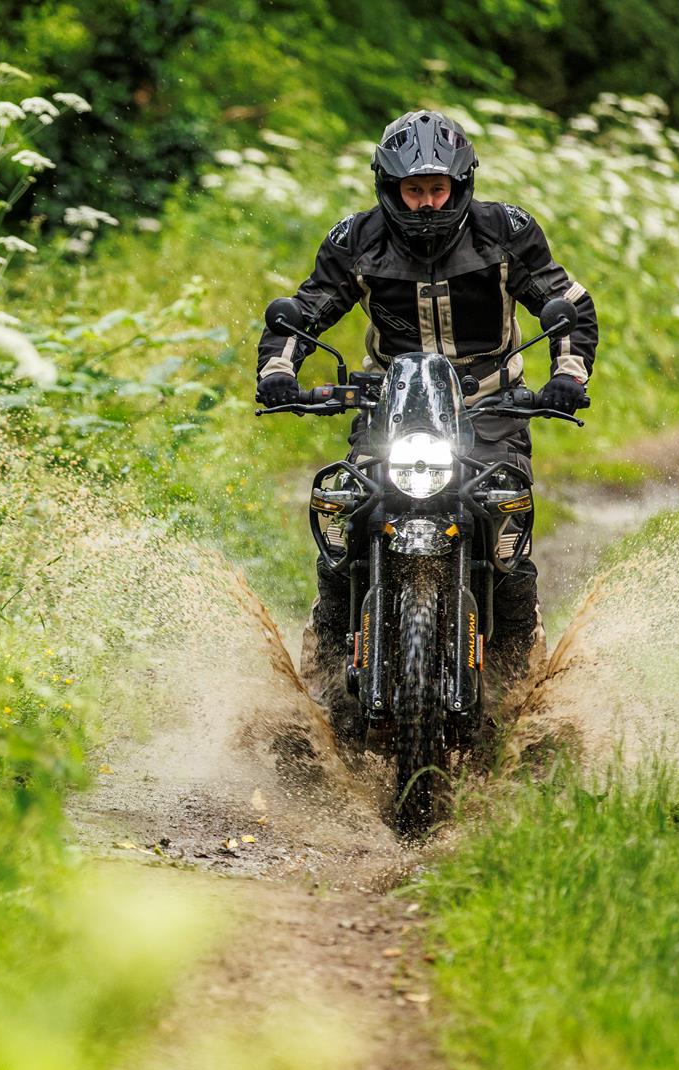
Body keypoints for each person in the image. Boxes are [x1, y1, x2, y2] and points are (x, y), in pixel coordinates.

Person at [253, 109, 599, 721]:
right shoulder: (355, 241)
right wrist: (279, 374)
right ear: (389, 190)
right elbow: (306, 309)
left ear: (461, 185)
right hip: (391, 406)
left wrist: (566, 378)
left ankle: (519, 680)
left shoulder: (506, 233)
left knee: (506, 536)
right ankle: (328, 672)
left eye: (437, 190)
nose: (426, 206)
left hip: (489, 406)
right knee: (345, 523)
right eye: (412, 192)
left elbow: (565, 302)